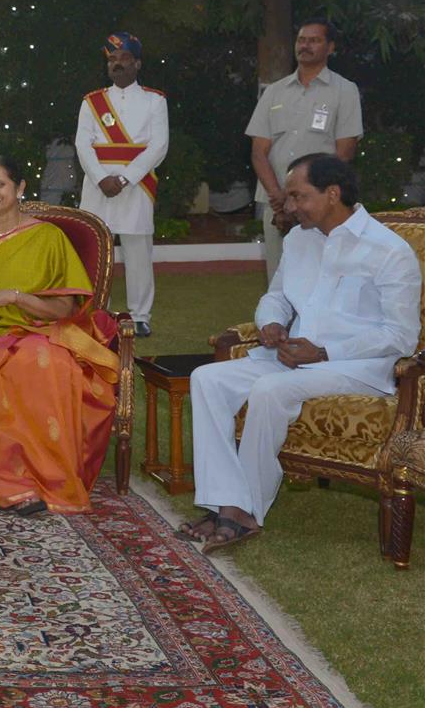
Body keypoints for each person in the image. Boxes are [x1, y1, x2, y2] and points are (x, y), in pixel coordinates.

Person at [177, 155, 419, 553]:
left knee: (271, 390)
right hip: (294, 358)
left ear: (332, 194)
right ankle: (224, 502)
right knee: (208, 378)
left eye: (299, 196)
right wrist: (271, 323)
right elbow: (277, 297)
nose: (290, 207)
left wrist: (324, 351)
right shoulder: (299, 240)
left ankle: (245, 513)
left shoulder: (387, 250)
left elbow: (401, 335)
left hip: (359, 368)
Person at [0, 156, 119, 516]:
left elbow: (64, 310)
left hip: (40, 327)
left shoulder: (49, 238)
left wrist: (12, 297)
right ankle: (6, 486)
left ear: (20, 189)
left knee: (43, 364)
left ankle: (50, 480)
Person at [247, 17, 362, 280]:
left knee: (320, 279)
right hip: (276, 206)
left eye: (314, 40)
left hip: (321, 205)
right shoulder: (274, 92)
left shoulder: (344, 91)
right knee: (279, 277)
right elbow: (258, 152)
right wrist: (281, 199)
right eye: (301, 40)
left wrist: (303, 199)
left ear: (330, 47)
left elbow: (344, 154)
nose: (305, 45)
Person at [74, 31, 168, 338]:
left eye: (124, 58)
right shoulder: (92, 102)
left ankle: (140, 315)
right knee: (97, 250)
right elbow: (82, 144)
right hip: (98, 184)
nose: (117, 64)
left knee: (138, 251)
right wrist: (102, 178)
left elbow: (159, 146)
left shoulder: (155, 101)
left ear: (137, 64)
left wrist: (126, 177)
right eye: (112, 59)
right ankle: (97, 310)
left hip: (135, 185)